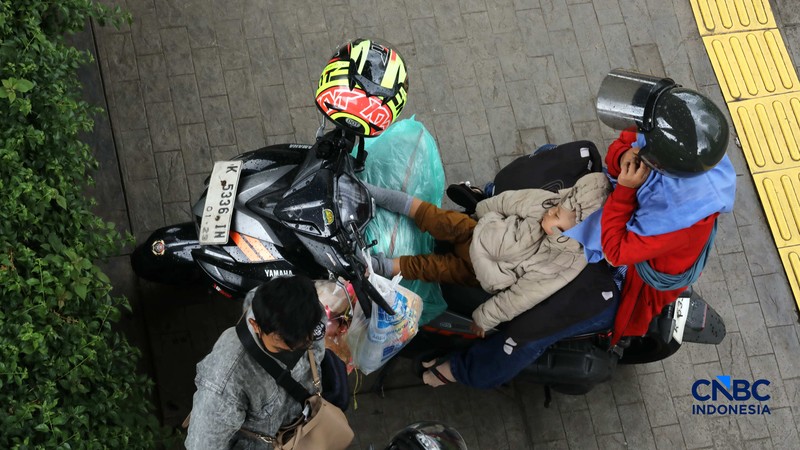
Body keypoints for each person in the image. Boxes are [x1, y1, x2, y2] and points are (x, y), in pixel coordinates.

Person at [367, 172, 612, 387]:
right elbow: (514, 200)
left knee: (430, 268)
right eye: (556, 206)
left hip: (477, 271)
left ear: (568, 234)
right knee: (431, 215)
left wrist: (485, 317)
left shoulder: (561, 262)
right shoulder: (553, 204)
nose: (550, 210)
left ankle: (378, 265)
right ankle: (376, 194)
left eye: (556, 215)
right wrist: (484, 208)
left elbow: (523, 295)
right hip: (478, 230)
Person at [185, 275, 325, 449]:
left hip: (311, 423)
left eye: (306, 342)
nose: (298, 347)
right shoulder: (226, 380)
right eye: (284, 345)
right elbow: (202, 445)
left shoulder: (304, 306)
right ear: (255, 325)